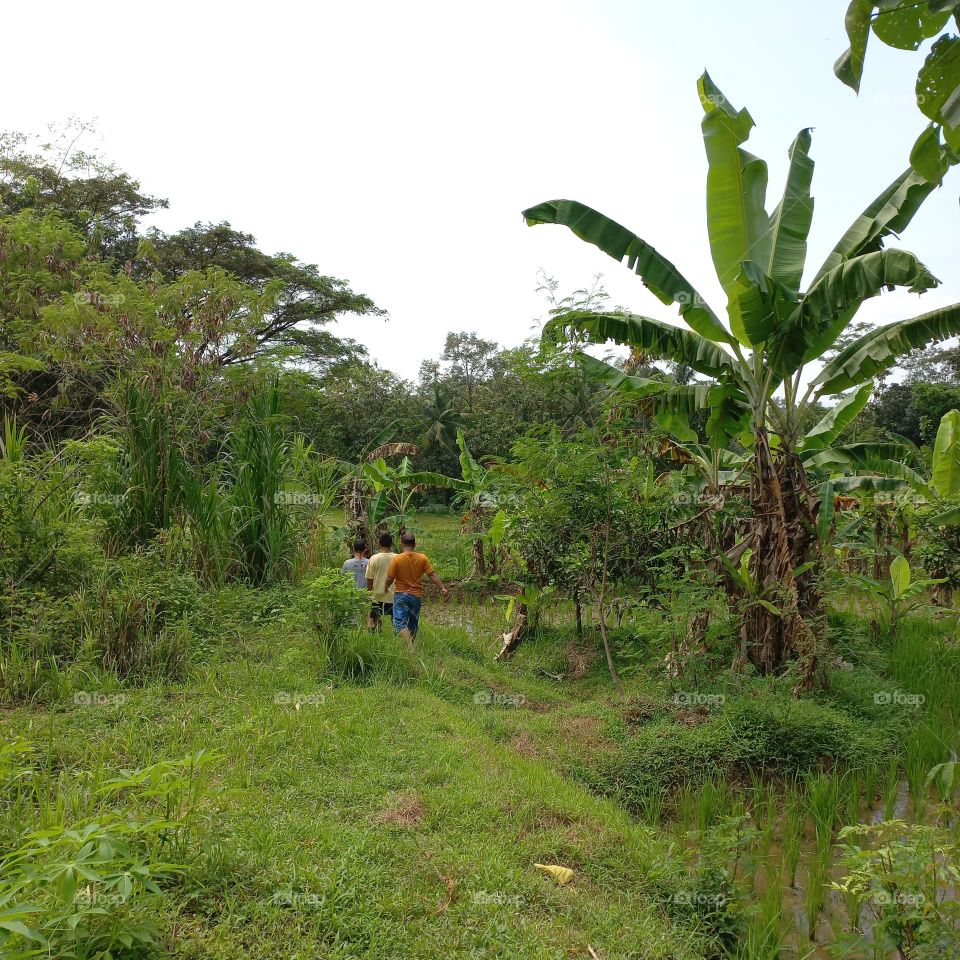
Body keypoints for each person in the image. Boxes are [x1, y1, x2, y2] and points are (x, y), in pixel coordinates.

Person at [385, 531, 448, 650]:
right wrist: (442, 588)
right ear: (415, 544)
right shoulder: (422, 558)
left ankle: (410, 647)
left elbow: (390, 577)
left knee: (399, 622)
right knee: (413, 623)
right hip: (416, 596)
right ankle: (411, 646)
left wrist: (386, 586)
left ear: (401, 543)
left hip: (401, 595)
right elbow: (432, 574)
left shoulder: (397, 559)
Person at [365, 532, 397, 629]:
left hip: (377, 595)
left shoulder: (374, 558)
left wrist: (369, 593)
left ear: (379, 543)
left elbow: (370, 579)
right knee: (395, 619)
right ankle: (395, 636)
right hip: (394, 595)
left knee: (375, 618)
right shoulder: (398, 558)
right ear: (391, 543)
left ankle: (377, 635)